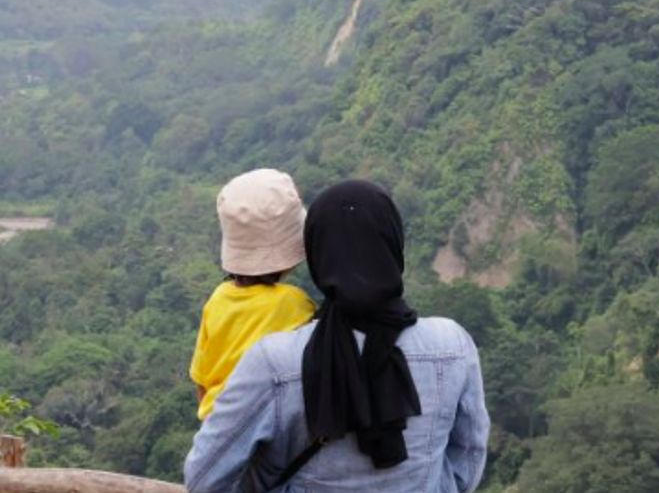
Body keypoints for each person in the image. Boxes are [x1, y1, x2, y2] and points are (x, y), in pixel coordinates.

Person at [184, 180, 489, 492]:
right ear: (393, 242)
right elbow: (467, 460)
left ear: (318, 254)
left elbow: (204, 478)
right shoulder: (454, 347)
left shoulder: (274, 363)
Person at [190, 168, 317, 421]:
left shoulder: (218, 299)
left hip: (216, 423)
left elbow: (201, 383)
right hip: (266, 427)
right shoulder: (295, 303)